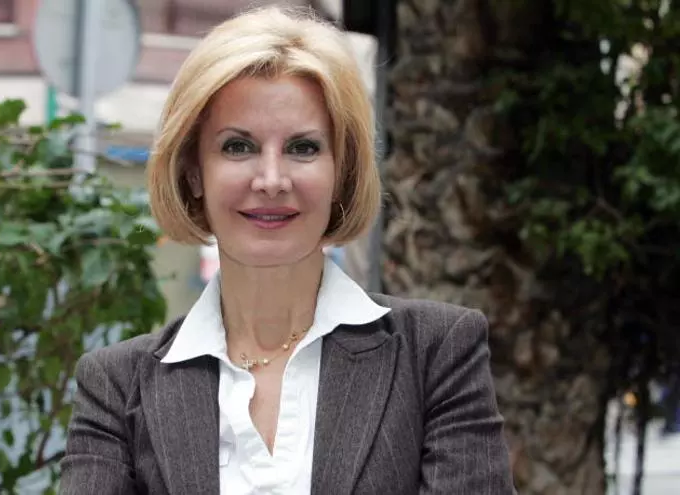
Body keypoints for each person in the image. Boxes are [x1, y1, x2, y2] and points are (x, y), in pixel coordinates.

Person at [60, 6, 515, 494]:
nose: (272, 180)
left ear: (342, 171)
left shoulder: (435, 354)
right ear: (193, 172)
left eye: (303, 148)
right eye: (238, 147)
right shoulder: (117, 386)